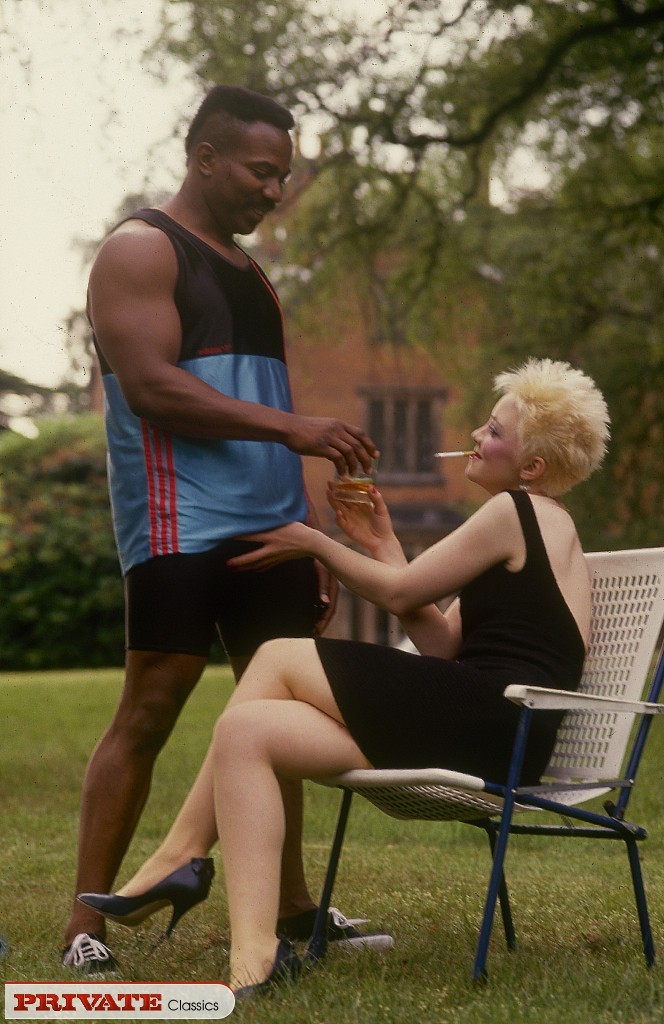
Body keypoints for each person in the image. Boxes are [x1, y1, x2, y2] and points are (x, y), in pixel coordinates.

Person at [80, 357, 610, 996]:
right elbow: (442, 644)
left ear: (532, 468)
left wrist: (313, 541)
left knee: (278, 655)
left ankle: (180, 858)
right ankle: (255, 959)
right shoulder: (533, 524)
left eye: (494, 431)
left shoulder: (518, 511)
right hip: (490, 727)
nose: (475, 435)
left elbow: (404, 593)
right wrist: (382, 543)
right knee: (247, 731)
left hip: (501, 724)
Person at [62, 84, 387, 974]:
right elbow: (152, 389)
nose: (274, 192)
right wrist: (298, 431)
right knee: (150, 709)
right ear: (204, 158)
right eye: (260, 172)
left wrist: (310, 530)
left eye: (282, 177)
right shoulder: (139, 249)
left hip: (269, 529)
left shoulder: (249, 272)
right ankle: (86, 928)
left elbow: (262, 399)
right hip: (180, 523)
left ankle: (292, 910)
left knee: (275, 715)